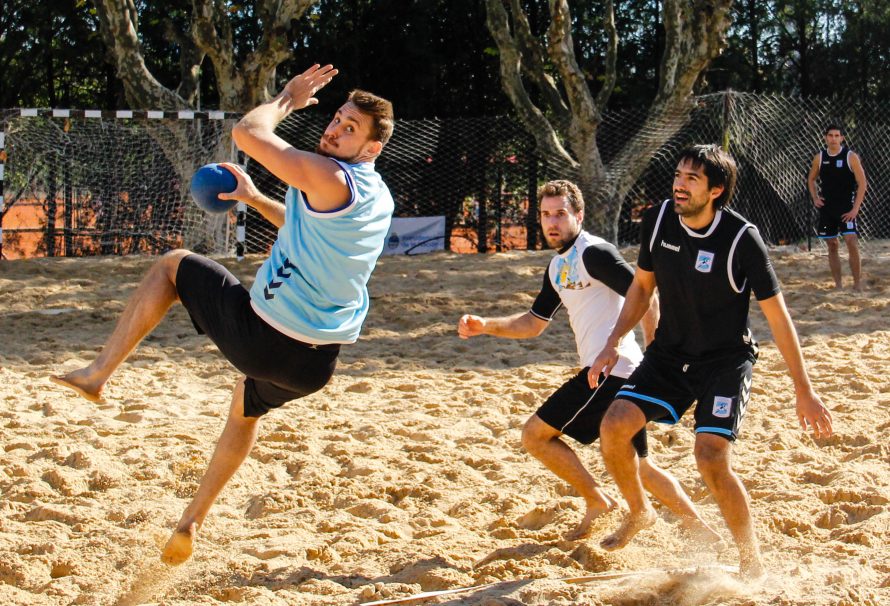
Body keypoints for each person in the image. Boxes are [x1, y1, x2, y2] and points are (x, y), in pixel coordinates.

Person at [49, 64, 395, 565]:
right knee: (243, 406)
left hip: (265, 338)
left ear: (370, 149)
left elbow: (247, 133)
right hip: (314, 367)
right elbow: (306, 226)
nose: (335, 128)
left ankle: (97, 374)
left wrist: (286, 99)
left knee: (171, 267)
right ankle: (191, 522)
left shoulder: (326, 173)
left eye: (349, 128)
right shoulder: (374, 193)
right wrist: (254, 198)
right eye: (337, 118)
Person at [591, 145, 833, 578]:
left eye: (692, 179)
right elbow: (643, 288)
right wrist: (613, 341)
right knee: (613, 426)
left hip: (725, 361)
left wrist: (805, 389)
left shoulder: (742, 239)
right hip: (669, 354)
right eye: (679, 175)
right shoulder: (661, 217)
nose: (679, 185)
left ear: (716, 190)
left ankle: (750, 559)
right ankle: (640, 511)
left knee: (710, 457)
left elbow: (778, 319)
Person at [457, 179, 721, 543]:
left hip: (614, 372)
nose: (552, 222)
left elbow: (645, 294)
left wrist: (656, 352)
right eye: (546, 215)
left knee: (534, 435)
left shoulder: (594, 253)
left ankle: (603, 501)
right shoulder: (557, 265)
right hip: (612, 371)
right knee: (640, 465)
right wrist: (486, 326)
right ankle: (705, 534)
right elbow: (533, 324)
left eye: (560, 214)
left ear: (578, 215)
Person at [806, 124, 868, 290]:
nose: (833, 138)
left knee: (851, 241)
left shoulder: (851, 157)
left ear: (842, 138)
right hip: (827, 209)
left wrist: (855, 209)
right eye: (830, 135)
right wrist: (815, 198)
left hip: (846, 208)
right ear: (825, 137)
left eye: (837, 136)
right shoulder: (819, 157)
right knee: (832, 245)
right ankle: (838, 285)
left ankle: (857, 285)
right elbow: (811, 179)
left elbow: (862, 184)